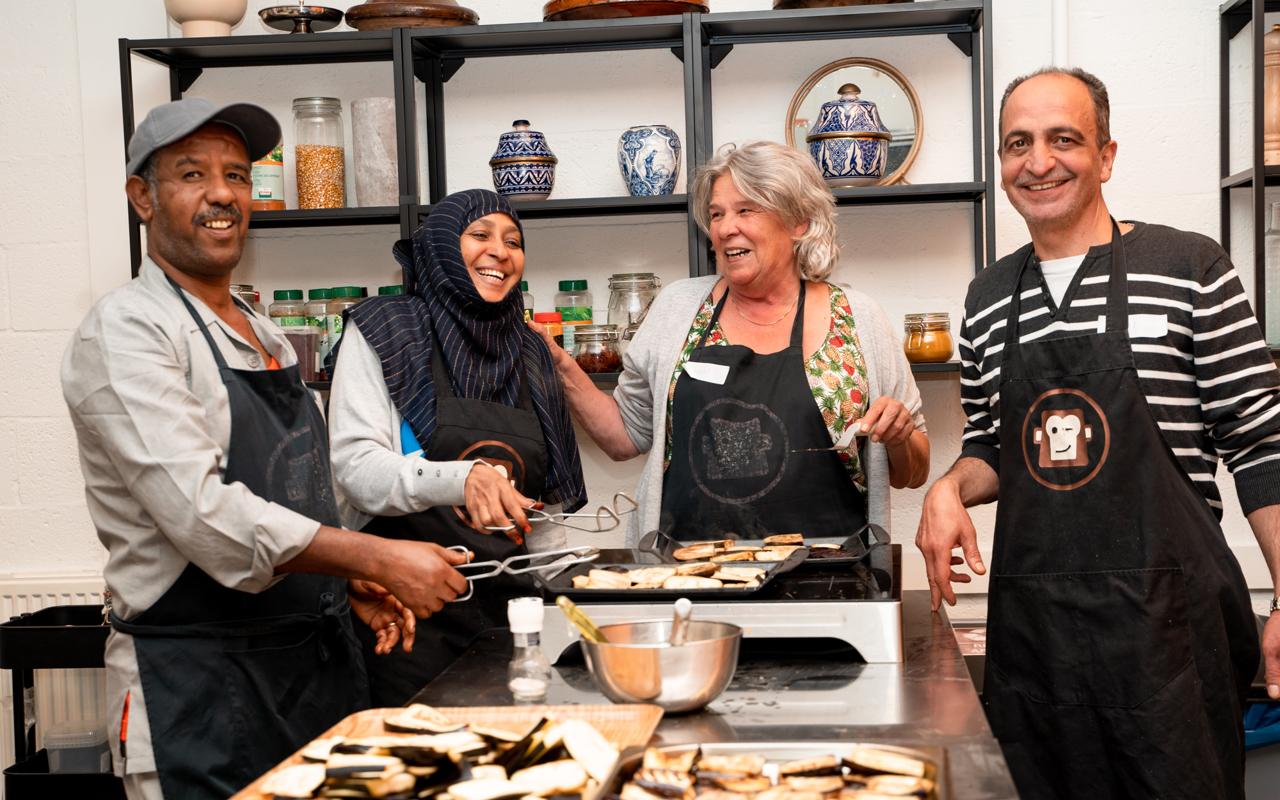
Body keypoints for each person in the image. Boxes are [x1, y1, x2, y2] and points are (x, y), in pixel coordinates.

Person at [61, 98, 470, 800]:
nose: (222, 193)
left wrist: (338, 584)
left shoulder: (263, 330)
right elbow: (206, 517)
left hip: (307, 680)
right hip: (197, 693)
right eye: (193, 173)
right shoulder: (126, 332)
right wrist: (373, 556)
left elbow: (296, 488)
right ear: (142, 198)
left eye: (237, 175)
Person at [916, 67, 1280, 798]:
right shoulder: (988, 297)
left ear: (1106, 156)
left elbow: (1260, 443)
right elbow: (992, 442)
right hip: (1039, 640)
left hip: (1169, 637)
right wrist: (949, 487)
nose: (1038, 161)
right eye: (1018, 143)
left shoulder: (1189, 267)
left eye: (1064, 139)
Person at [536, 141, 929, 546]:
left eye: (745, 210)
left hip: (831, 569)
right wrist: (559, 365)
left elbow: (913, 473)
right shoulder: (676, 308)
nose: (725, 229)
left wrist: (900, 436)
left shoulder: (858, 318)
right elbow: (625, 436)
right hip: (688, 568)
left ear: (798, 222)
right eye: (716, 214)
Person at [327, 189, 586, 706]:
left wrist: (579, 605)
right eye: (480, 235)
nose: (500, 252)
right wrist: (463, 477)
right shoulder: (387, 329)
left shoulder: (530, 350)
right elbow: (357, 470)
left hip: (509, 627)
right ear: (443, 245)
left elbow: (543, 516)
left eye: (513, 241)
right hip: (402, 620)